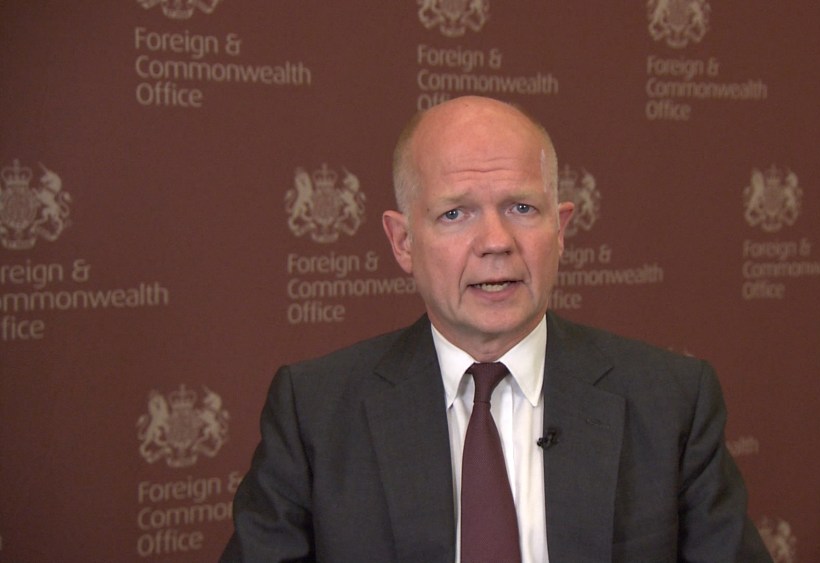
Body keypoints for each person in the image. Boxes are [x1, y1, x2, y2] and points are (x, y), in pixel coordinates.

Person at [221, 96, 772, 562]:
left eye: (522, 208)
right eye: (455, 214)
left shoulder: (673, 401)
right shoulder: (314, 412)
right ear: (402, 242)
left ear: (561, 229)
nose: (496, 242)